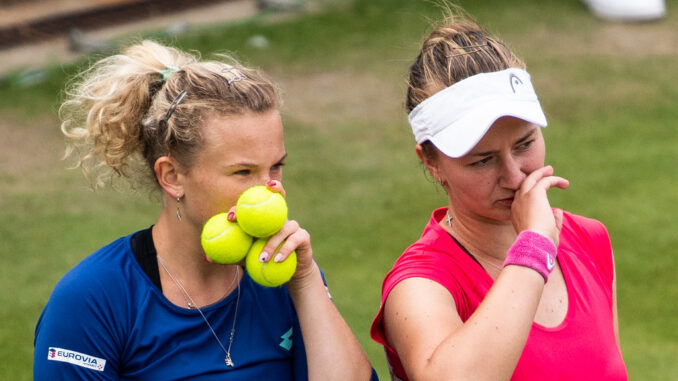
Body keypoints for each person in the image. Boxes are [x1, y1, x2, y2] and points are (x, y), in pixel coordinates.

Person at [34, 40, 377, 381]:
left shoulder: (285, 275)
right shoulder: (92, 300)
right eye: (243, 172)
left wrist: (306, 284)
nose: (272, 191)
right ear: (172, 177)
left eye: (276, 167)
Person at [370, 11, 627, 381]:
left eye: (525, 143)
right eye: (482, 161)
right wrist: (534, 247)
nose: (513, 174)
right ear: (431, 162)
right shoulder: (420, 285)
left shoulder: (590, 240)